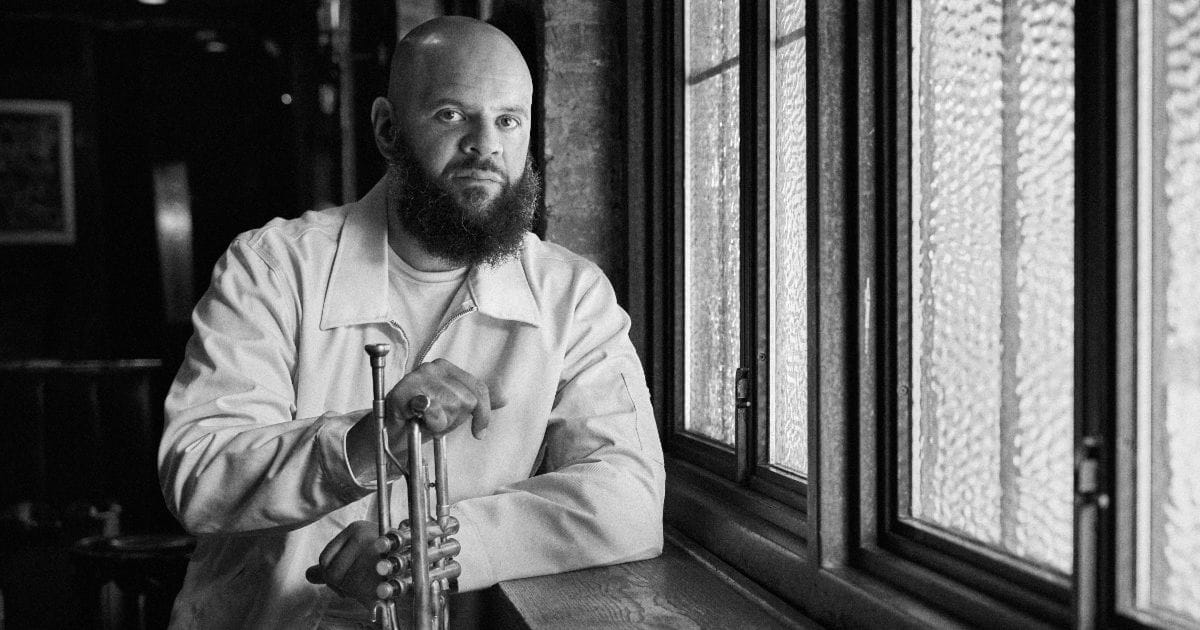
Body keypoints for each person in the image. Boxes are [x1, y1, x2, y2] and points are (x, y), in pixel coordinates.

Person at [157, 16, 664, 629]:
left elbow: (628, 500)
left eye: (509, 120)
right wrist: (369, 441)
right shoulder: (272, 267)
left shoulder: (572, 296)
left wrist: (424, 549)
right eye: (452, 115)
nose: (486, 145)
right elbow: (199, 472)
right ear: (387, 129)